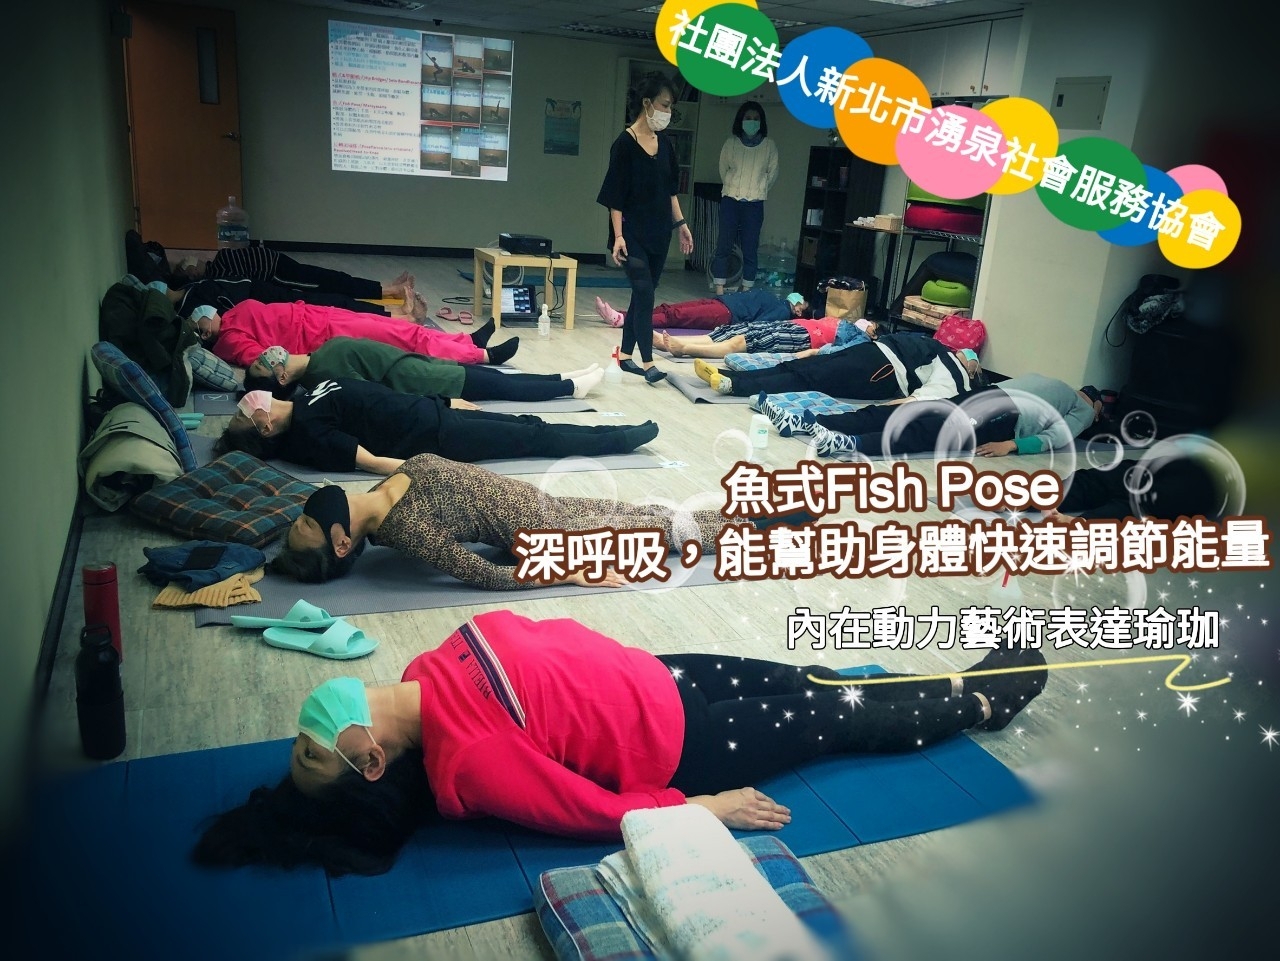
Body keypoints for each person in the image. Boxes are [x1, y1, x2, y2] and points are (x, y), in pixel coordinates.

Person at [190, 608, 1048, 875]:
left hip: (662, 673)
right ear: (370, 760)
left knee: (817, 675)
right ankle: (985, 699)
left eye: (299, 745)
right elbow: (584, 809)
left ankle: (954, 683)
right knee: (840, 716)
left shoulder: (422, 665)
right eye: (313, 752)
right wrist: (703, 807)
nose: (304, 731)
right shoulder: (468, 761)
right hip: (685, 744)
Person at [265, 454, 725, 589]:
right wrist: (564, 573)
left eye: (302, 519)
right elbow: (482, 573)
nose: (307, 514)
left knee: (650, 514)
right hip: (544, 533)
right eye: (308, 526)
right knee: (664, 532)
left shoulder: (379, 487)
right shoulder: (405, 529)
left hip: (539, 502)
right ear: (341, 544)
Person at [212, 377, 660, 475]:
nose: (248, 403)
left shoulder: (304, 396)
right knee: (533, 437)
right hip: (441, 438)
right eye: (244, 413)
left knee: (530, 424)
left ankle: (614, 434)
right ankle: (620, 440)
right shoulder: (310, 434)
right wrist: (437, 471)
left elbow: (379, 395)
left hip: (437, 412)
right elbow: (373, 462)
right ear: (264, 427)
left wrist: (445, 399)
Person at [596, 71, 694, 385]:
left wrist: (681, 224)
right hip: (630, 234)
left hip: (659, 233)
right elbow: (614, 197)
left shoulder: (665, 144)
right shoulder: (624, 144)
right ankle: (648, 361)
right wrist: (618, 237)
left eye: (671, 107)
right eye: (664, 105)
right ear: (647, 103)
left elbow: (670, 192)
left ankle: (625, 356)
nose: (668, 112)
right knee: (644, 292)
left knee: (642, 295)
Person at [807, 377, 1104, 458]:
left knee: (915, 413)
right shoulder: (1086, 410)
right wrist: (1011, 445)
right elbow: (1058, 437)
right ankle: (849, 443)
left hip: (988, 394)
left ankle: (824, 421)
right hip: (1003, 414)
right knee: (928, 433)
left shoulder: (1055, 383)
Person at [242, 338, 604, 404]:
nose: (264, 355)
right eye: (262, 364)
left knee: (500, 379)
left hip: (420, 366)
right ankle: (572, 388)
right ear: (281, 377)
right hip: (422, 380)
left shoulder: (318, 360)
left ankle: (564, 377)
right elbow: (371, 395)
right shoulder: (322, 374)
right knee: (502, 387)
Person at [194, 299, 519, 368]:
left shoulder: (231, 312)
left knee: (405, 328)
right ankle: (482, 356)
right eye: (199, 325)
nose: (203, 316)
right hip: (321, 336)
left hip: (323, 316)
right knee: (406, 341)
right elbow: (266, 359)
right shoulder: (229, 341)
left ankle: (468, 341)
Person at [692, 332, 981, 405]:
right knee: (803, 365)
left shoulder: (958, 375)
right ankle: (731, 376)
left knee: (812, 376)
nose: (964, 354)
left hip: (883, 371)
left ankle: (735, 386)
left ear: (974, 371)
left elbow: (922, 398)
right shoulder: (940, 349)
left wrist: (884, 408)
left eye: (970, 357)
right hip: (874, 352)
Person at [175, 243, 419, 307]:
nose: (194, 262)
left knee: (334, 277)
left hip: (279, 262)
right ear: (191, 274)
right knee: (331, 285)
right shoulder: (215, 277)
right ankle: (390, 292)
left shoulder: (219, 260)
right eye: (189, 266)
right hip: (279, 276)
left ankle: (386, 287)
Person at [711, 101, 779, 295]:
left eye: (756, 118)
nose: (752, 121)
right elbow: (723, 170)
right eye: (748, 118)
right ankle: (719, 289)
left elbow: (772, 174)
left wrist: (756, 190)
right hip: (730, 201)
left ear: (761, 121)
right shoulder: (731, 144)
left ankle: (746, 289)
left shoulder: (769, 146)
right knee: (724, 245)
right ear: (740, 120)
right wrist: (735, 188)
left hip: (754, 204)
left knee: (750, 247)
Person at [166, 275, 417, 320]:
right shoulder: (190, 306)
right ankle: (395, 316)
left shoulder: (191, 288)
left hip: (264, 293)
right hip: (268, 305)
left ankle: (393, 311)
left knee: (334, 296)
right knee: (334, 307)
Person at [653, 313, 877, 361]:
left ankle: (685, 349)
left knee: (742, 342)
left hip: (804, 338)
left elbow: (840, 351)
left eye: (872, 325)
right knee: (733, 331)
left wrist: (815, 352)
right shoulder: (850, 324)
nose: (867, 323)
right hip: (795, 325)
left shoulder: (862, 339)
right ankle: (670, 342)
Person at [594, 285, 809, 331]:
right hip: (721, 303)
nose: (798, 298)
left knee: (677, 315)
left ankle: (623, 321)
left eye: (801, 302)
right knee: (669, 308)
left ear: (798, 311)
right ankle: (622, 314)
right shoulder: (778, 301)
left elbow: (760, 325)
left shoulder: (783, 311)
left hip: (725, 314)